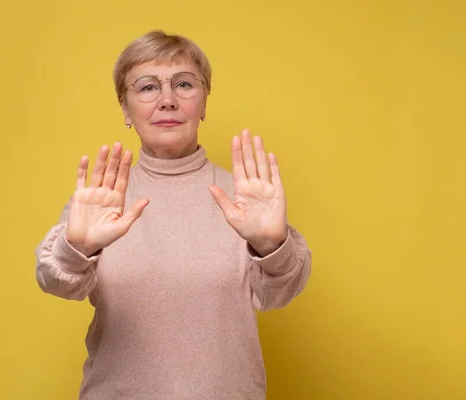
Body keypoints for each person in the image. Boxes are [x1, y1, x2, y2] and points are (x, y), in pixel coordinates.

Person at [35, 30, 312, 399]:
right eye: (147, 87)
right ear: (124, 107)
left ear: (204, 101)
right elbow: (57, 283)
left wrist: (271, 245)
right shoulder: (101, 201)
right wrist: (77, 248)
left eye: (184, 84)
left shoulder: (246, 197)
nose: (167, 100)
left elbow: (279, 294)